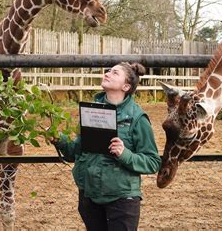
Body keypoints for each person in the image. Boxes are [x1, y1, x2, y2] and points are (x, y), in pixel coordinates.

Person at [52, 62, 161, 231]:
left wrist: (125, 153)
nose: (108, 73)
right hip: (89, 196)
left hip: (122, 200)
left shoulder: (137, 118)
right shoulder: (92, 111)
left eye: (115, 73)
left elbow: (153, 161)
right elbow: (75, 152)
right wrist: (59, 139)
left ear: (126, 86)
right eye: (108, 70)